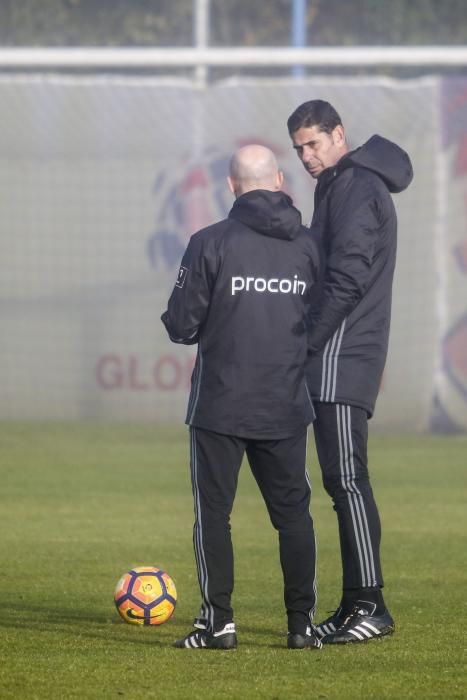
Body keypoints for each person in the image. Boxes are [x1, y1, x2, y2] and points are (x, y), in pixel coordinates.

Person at [161, 144, 322, 650]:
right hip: (285, 402)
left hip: (221, 405)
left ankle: (219, 624)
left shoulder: (209, 241)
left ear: (230, 186)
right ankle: (301, 626)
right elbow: (320, 316)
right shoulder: (309, 246)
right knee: (293, 515)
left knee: (214, 513)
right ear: (278, 180)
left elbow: (181, 325)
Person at [287, 100, 413, 644]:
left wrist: (308, 342)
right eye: (299, 149)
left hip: (342, 356)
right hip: (338, 353)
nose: (307, 157)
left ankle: (370, 605)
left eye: (314, 143)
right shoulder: (339, 183)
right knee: (341, 482)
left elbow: (348, 277)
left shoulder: (358, 185)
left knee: (347, 481)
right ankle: (353, 603)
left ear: (339, 135)